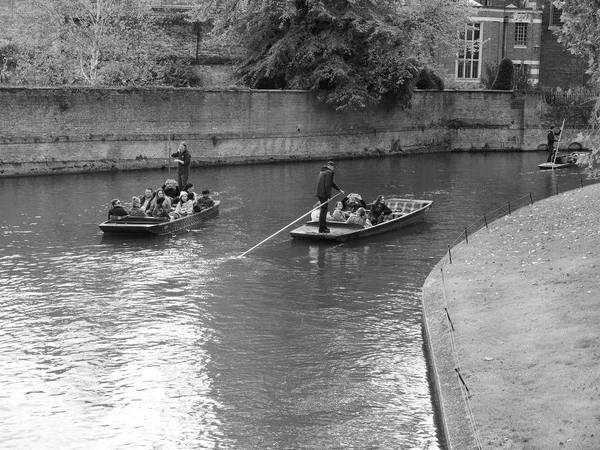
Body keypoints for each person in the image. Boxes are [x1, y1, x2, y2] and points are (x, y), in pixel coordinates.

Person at [314, 161, 344, 233]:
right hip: (324, 194)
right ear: (330, 166)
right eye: (333, 167)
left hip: (319, 193)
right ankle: (322, 229)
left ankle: (323, 227)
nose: (334, 169)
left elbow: (331, 183)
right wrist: (328, 196)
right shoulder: (329, 172)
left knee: (323, 211)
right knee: (324, 211)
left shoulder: (323, 171)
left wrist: (339, 189)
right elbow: (327, 185)